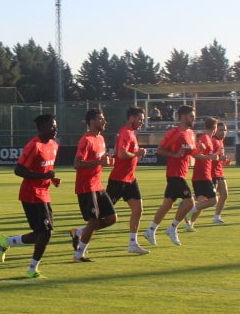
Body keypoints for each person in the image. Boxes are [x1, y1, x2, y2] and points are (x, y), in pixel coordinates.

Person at [0, 114, 61, 279]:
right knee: (46, 233)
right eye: (51, 126)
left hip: (44, 193)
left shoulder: (54, 145)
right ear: (41, 128)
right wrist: (43, 177)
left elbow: (45, 169)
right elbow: (18, 170)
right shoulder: (33, 146)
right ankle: (32, 269)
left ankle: (7, 242)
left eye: (55, 125)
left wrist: (51, 179)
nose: (55, 129)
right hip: (31, 194)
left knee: (41, 234)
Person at [143, 105, 197, 246]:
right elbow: (160, 150)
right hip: (174, 174)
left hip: (182, 174)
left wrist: (204, 153)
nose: (194, 118)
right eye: (192, 116)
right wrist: (174, 154)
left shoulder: (191, 133)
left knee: (167, 205)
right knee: (190, 202)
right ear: (184, 117)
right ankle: (172, 228)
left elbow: (192, 152)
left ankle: (150, 230)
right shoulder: (174, 132)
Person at [68, 109, 117, 262]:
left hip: (98, 186)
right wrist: (99, 162)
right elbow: (77, 164)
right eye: (101, 119)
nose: (104, 121)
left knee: (112, 218)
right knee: (94, 221)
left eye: (104, 118)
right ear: (91, 122)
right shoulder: (86, 140)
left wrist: (107, 161)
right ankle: (79, 255)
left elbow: (100, 160)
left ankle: (78, 233)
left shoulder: (101, 139)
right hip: (86, 187)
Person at [106, 106, 151, 254]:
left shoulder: (131, 132)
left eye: (142, 120)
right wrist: (137, 153)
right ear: (131, 118)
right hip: (118, 180)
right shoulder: (125, 132)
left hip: (130, 178)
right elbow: (121, 154)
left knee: (138, 210)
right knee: (103, 215)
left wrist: (136, 153)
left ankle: (133, 243)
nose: (141, 122)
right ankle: (79, 233)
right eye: (139, 119)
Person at [185, 117, 224, 228]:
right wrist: (211, 156)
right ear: (215, 127)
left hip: (203, 174)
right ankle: (187, 211)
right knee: (213, 200)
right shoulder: (205, 138)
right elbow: (196, 155)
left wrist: (215, 158)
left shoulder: (207, 138)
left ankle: (188, 225)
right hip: (202, 175)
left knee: (202, 201)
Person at [209, 121, 232, 223]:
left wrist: (224, 161)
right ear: (215, 130)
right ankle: (188, 200)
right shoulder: (213, 141)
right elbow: (209, 157)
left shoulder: (221, 141)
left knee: (224, 194)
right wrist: (219, 158)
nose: (223, 132)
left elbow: (219, 159)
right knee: (207, 197)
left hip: (219, 172)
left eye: (225, 130)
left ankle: (217, 217)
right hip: (212, 173)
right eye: (221, 130)